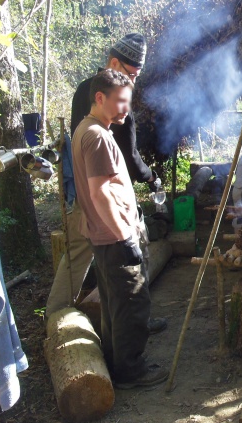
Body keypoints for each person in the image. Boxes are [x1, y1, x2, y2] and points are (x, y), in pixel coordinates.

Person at [46, 33, 166, 337]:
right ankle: (135, 320)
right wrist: (150, 177)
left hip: (81, 190)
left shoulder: (83, 90)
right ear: (115, 63)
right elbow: (129, 155)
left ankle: (55, 316)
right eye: (133, 74)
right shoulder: (113, 100)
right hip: (109, 197)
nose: (134, 83)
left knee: (77, 256)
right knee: (136, 251)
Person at [70, 68, 166, 389]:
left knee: (115, 304)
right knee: (131, 302)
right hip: (113, 235)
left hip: (104, 235)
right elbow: (100, 194)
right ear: (100, 98)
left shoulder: (89, 129)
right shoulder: (96, 137)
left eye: (128, 101)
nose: (126, 108)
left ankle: (115, 362)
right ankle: (130, 370)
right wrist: (124, 237)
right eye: (121, 102)